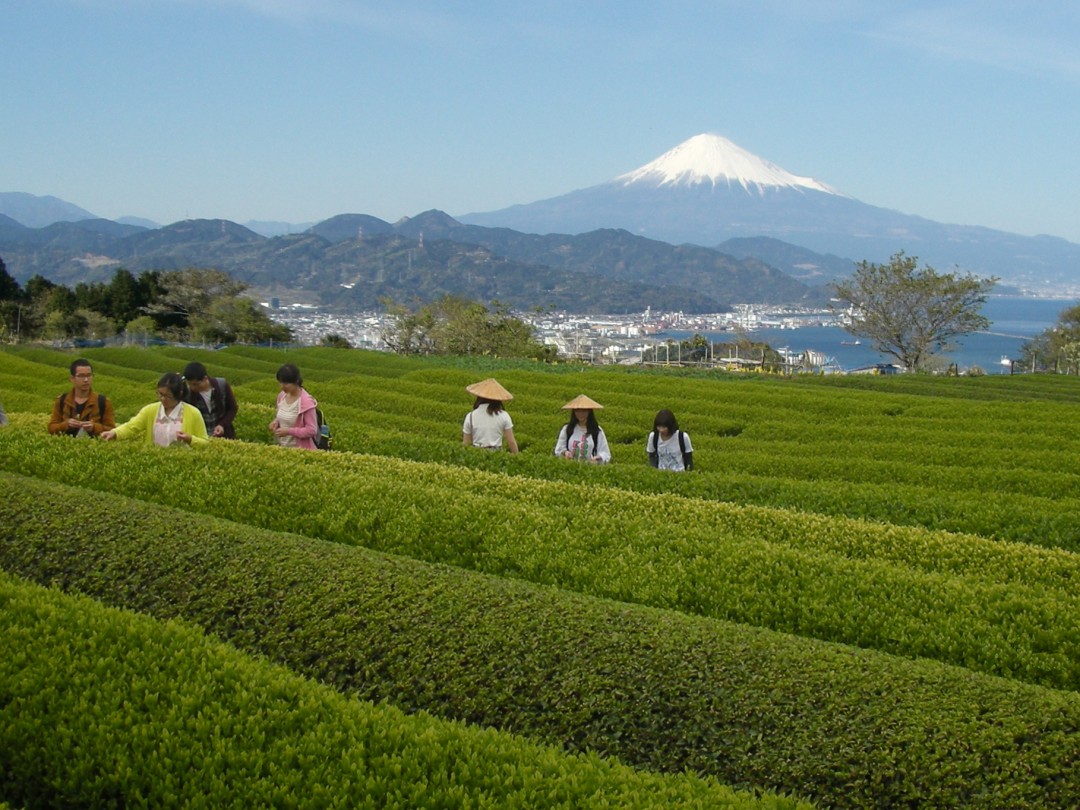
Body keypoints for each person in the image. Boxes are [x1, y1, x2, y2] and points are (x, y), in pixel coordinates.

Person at [101, 372, 208, 446]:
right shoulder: (150, 411)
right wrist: (114, 433)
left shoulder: (193, 413)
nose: (162, 399)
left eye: (167, 396)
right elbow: (131, 427)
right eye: (160, 394)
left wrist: (191, 439)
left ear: (179, 394)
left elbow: (205, 442)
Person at [47, 358, 116, 438]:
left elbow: (111, 430)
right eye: (81, 376)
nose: (86, 380)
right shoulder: (62, 400)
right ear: (72, 379)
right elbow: (51, 428)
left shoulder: (103, 402)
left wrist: (93, 427)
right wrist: (66, 425)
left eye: (89, 375)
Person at [182, 361, 239, 439]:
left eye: (195, 384)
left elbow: (233, 408)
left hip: (223, 436)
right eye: (189, 384)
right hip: (200, 437)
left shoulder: (221, 385)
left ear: (205, 379)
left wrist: (222, 425)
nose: (192, 387)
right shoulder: (187, 393)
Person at [268, 363, 319, 450]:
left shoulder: (306, 402)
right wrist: (275, 422)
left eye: (286, 383)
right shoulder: (282, 396)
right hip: (283, 447)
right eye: (280, 382)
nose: (282, 386)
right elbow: (284, 416)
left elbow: (311, 430)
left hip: (301, 450)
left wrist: (288, 431)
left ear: (296, 381)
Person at [462, 378, 518, 452]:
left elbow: (466, 443)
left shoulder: (470, 416)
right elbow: (511, 442)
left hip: (477, 453)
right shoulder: (504, 415)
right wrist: (517, 457)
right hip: (496, 454)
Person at [554, 394, 611, 463]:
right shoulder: (567, 429)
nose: (580, 414)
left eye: (584, 411)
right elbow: (559, 449)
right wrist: (565, 452)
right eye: (577, 410)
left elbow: (605, 453)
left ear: (589, 412)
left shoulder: (596, 430)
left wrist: (598, 458)